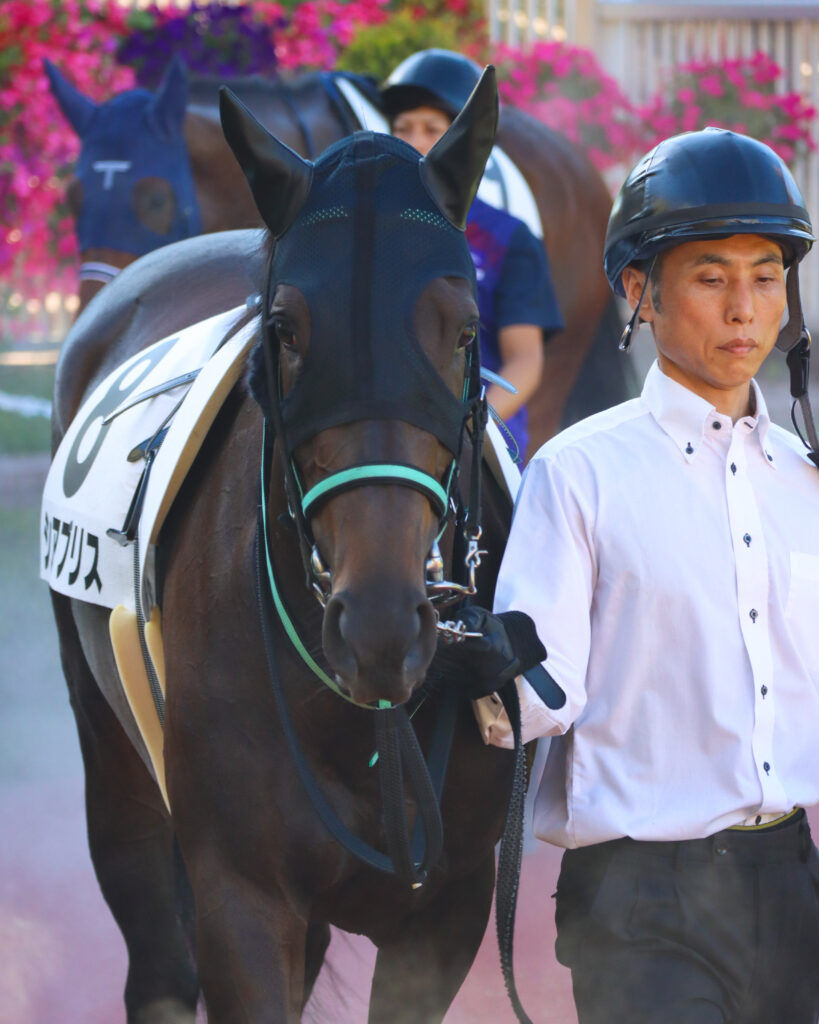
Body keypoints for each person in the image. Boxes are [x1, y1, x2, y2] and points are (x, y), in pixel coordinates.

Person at [442, 127, 819, 1022]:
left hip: (791, 885)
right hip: (640, 903)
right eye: (709, 275)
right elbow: (542, 691)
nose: (742, 308)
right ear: (638, 291)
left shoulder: (806, 480)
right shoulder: (577, 475)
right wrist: (477, 666)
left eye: (765, 276)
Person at [381, 49, 564, 462]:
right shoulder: (371, 233)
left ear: (464, 142)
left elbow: (525, 360)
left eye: (431, 128)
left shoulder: (509, 240)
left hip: (478, 441)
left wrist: (471, 429)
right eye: (403, 127)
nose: (414, 141)